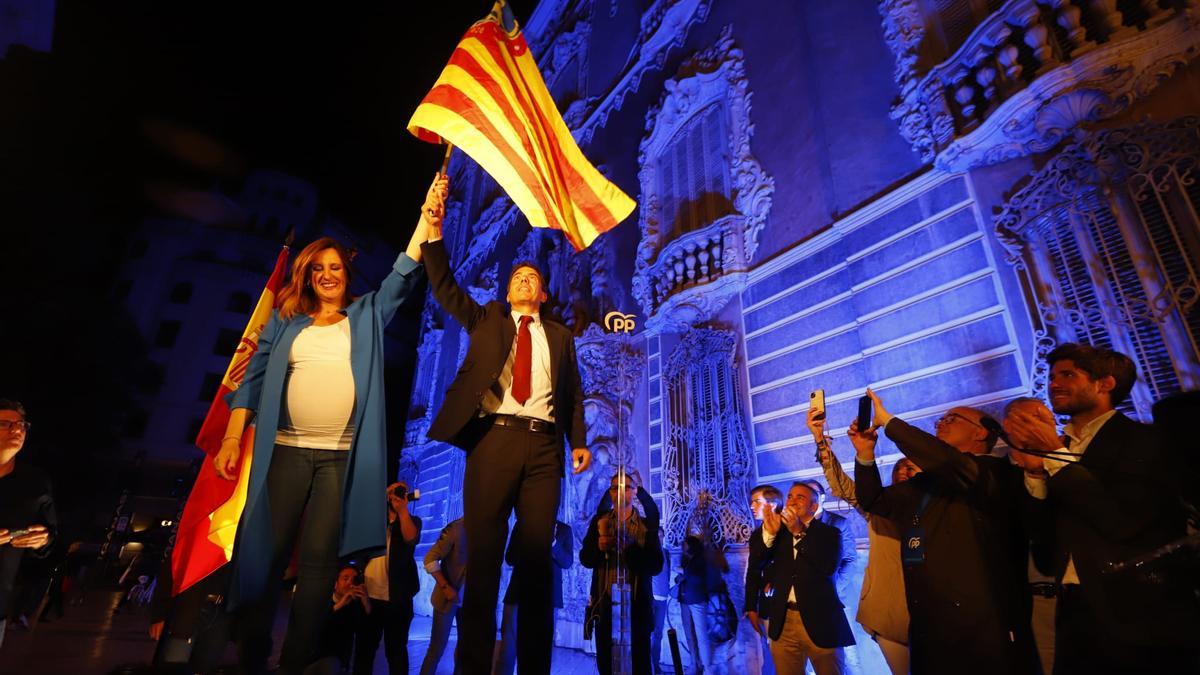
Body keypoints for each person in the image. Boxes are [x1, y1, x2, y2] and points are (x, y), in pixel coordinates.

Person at [211, 176, 445, 674]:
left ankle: (296, 660)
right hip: (286, 452)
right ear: (308, 275)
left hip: (340, 459)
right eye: (319, 269)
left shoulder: (364, 317)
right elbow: (250, 384)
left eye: (336, 267)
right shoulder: (285, 323)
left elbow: (402, 277)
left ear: (346, 275)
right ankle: (252, 652)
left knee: (319, 566)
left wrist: (425, 222)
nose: (328, 275)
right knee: (265, 556)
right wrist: (233, 436)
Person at [420, 189, 592, 674]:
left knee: (535, 567)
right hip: (492, 441)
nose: (523, 280)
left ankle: (534, 668)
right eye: (516, 276)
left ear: (541, 293)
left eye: (531, 278)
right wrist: (434, 232)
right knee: (486, 563)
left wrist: (577, 441)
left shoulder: (559, 336)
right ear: (508, 290)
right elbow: (446, 289)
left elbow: (574, 393)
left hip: (543, 449)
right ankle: (473, 667)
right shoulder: (488, 319)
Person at [1004, 343, 1200, 673]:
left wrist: (1054, 455)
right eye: (1052, 376)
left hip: (1140, 615)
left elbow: (1121, 521)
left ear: (1105, 384)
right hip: (1075, 612)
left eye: (1068, 374)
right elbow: (1043, 541)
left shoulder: (1144, 441)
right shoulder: (1059, 447)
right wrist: (1036, 473)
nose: (1054, 384)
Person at [854, 390, 1038, 675]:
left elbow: (952, 464)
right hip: (929, 625)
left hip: (983, 629)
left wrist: (889, 422)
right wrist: (865, 453)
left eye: (951, 418)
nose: (940, 423)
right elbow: (875, 501)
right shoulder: (926, 483)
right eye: (941, 419)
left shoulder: (996, 473)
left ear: (980, 434)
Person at [811, 406, 915, 675]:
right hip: (892, 614)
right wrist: (820, 440)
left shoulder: (940, 510)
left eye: (913, 469)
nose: (906, 472)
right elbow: (843, 486)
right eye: (901, 469)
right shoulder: (879, 508)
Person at [752, 482, 854, 675]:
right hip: (784, 621)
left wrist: (799, 532)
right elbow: (759, 563)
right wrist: (769, 535)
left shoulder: (829, 533)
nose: (792, 500)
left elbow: (828, 567)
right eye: (790, 496)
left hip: (821, 620)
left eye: (800, 497)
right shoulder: (780, 533)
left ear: (813, 507)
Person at [579, 471, 663, 675]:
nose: (620, 491)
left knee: (639, 664)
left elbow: (656, 565)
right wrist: (598, 547)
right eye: (615, 487)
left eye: (626, 486)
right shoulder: (599, 522)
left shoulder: (645, 526)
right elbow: (586, 559)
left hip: (636, 607)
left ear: (634, 491)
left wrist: (631, 550)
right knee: (607, 664)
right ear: (609, 492)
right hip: (605, 605)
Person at [0, 399, 55, 650]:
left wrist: (42, 539)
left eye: (21, 425)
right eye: (6, 424)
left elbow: (51, 536)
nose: (17, 430)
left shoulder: (35, 483)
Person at [354, 481, 422, 675]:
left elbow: (411, 539)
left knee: (396, 651)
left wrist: (402, 511)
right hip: (369, 597)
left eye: (401, 492)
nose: (396, 496)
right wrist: (382, 497)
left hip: (397, 600)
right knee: (364, 651)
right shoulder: (375, 521)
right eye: (393, 492)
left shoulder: (412, 520)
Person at [494, 519, 573, 675]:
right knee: (508, 650)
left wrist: (552, 543)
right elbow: (510, 558)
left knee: (540, 652)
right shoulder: (521, 524)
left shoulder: (564, 530)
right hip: (518, 593)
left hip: (548, 598)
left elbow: (567, 562)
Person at [419, 517, 467, 675]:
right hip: (447, 598)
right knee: (436, 649)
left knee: (464, 649)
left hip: (472, 599)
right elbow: (429, 559)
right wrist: (445, 587)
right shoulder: (456, 528)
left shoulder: (489, 529)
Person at [677, 531, 729, 673]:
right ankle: (694, 664)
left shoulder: (701, 558)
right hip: (685, 599)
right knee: (689, 633)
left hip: (697, 599)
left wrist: (684, 577)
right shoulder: (687, 558)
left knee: (701, 635)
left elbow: (699, 577)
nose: (683, 547)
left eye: (685, 545)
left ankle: (707, 668)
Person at [798, 480, 856, 601]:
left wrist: (833, 588)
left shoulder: (838, 523)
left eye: (813, 492)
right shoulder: (795, 524)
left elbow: (849, 560)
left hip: (829, 595)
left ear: (822, 497)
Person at [312, 565, 371, 674]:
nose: (350, 583)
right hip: (315, 659)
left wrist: (366, 603)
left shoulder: (355, 605)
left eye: (354, 580)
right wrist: (340, 604)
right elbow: (316, 627)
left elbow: (366, 634)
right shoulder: (322, 601)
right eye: (345, 578)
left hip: (340, 663)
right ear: (335, 583)